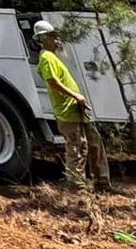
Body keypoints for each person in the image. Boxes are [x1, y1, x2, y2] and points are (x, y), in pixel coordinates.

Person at [34, 18, 109, 190]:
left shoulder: (53, 56)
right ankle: (77, 189)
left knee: (94, 142)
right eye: (53, 37)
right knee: (77, 148)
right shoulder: (46, 58)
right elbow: (52, 81)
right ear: (43, 39)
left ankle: (102, 183)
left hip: (76, 108)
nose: (57, 40)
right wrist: (76, 95)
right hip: (67, 111)